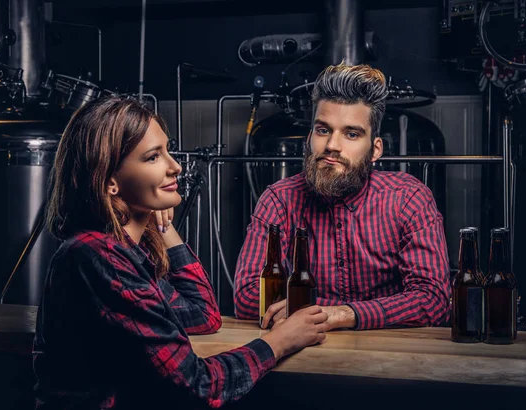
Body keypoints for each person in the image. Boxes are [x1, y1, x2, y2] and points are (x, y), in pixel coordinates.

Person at [33, 95, 330, 410]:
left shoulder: (122, 254)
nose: (175, 166)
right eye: (152, 157)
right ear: (109, 182)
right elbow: (198, 385)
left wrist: (161, 226)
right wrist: (281, 341)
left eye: (167, 151)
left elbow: (203, 316)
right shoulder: (99, 258)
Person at [234, 63, 451, 331]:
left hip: (391, 356)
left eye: (351, 134)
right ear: (309, 137)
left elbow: (433, 300)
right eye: (323, 130)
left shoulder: (409, 199)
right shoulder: (278, 200)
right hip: (304, 355)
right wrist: (324, 311)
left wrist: (338, 314)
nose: (332, 146)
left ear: (375, 149)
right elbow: (246, 295)